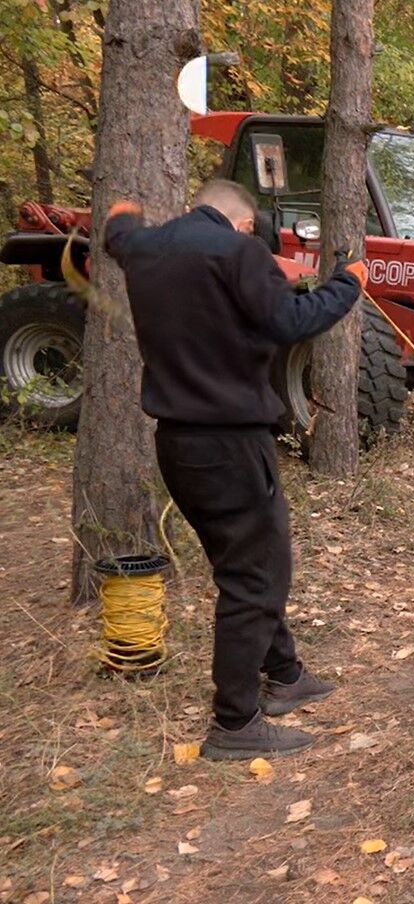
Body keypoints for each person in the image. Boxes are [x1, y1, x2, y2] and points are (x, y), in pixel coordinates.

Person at [103, 179, 368, 759]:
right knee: (255, 574)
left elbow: (117, 234)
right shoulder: (239, 252)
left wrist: (122, 214)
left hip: (178, 445)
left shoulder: (144, 246)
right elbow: (291, 322)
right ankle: (235, 721)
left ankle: (286, 674)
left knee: (245, 562)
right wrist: (349, 284)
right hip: (230, 444)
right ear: (244, 223)